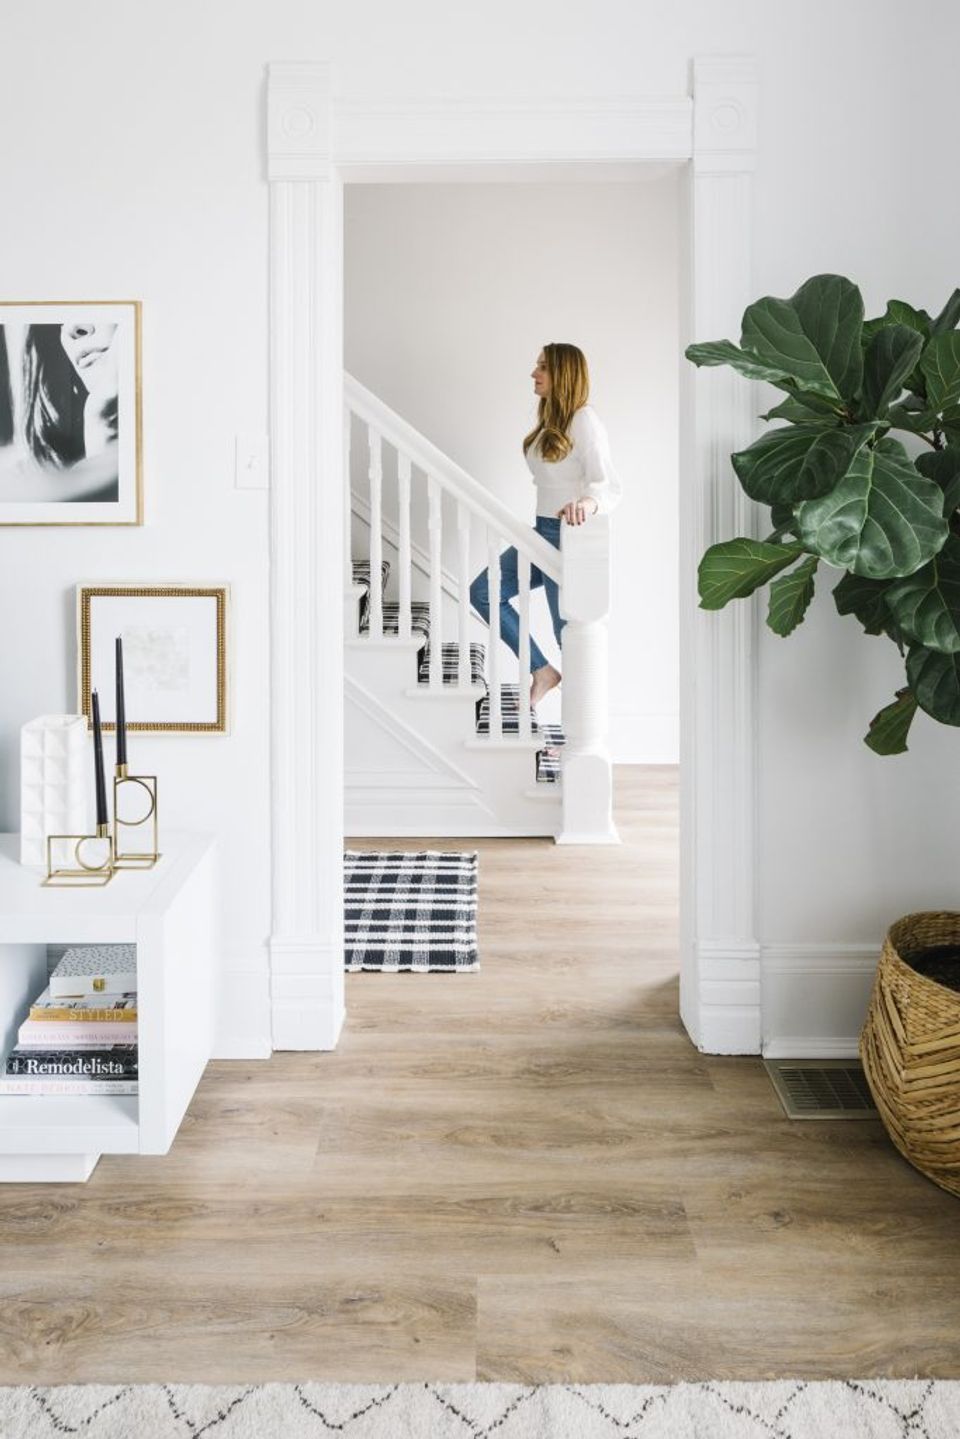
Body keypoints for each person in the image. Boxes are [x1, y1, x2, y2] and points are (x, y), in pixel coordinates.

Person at [469, 342, 622, 708]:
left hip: (567, 535)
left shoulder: (584, 419)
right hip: (541, 533)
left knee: (567, 633)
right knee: (484, 592)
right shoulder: (551, 421)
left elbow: (608, 485)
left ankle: (582, 721)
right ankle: (542, 671)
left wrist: (587, 503)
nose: (533, 373)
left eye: (542, 367)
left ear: (563, 374)